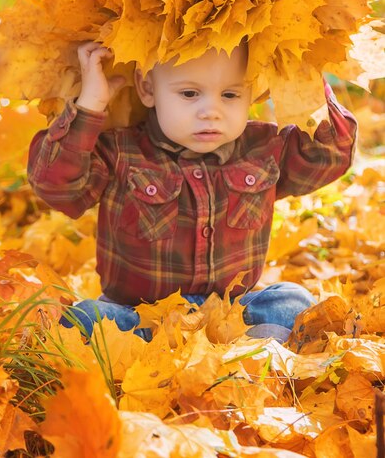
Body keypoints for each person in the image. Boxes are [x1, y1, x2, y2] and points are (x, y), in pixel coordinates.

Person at [27, 40, 357, 342]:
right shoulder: (121, 151)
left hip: (233, 313)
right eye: (189, 94)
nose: (210, 111)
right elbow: (56, 186)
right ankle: (164, 355)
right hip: (139, 317)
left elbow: (330, 155)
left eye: (230, 95)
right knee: (87, 318)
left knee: (292, 302)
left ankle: (251, 353)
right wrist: (90, 105)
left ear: (252, 90)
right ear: (147, 87)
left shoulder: (265, 147)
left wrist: (306, 79)